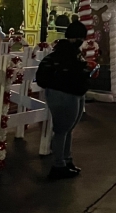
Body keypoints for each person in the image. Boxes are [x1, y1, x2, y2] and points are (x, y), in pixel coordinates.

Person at [35, 20, 91, 180]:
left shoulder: (71, 52)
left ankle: (66, 160)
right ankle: (59, 165)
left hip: (74, 93)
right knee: (62, 130)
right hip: (65, 94)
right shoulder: (67, 54)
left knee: (68, 129)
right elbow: (73, 73)